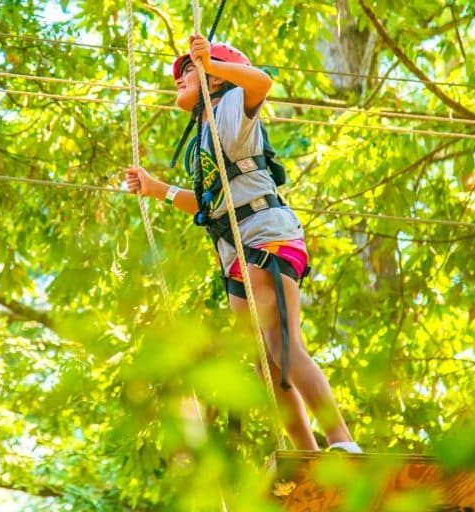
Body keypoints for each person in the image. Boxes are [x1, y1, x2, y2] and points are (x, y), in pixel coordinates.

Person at [125, 35, 360, 453]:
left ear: (214, 77)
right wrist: (156, 189)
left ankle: (341, 440)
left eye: (188, 73)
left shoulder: (233, 107)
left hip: (267, 235)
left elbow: (260, 84)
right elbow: (206, 204)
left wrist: (210, 65)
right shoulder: (203, 138)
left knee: (282, 344)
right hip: (234, 251)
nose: (179, 79)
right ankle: (306, 452)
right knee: (264, 362)